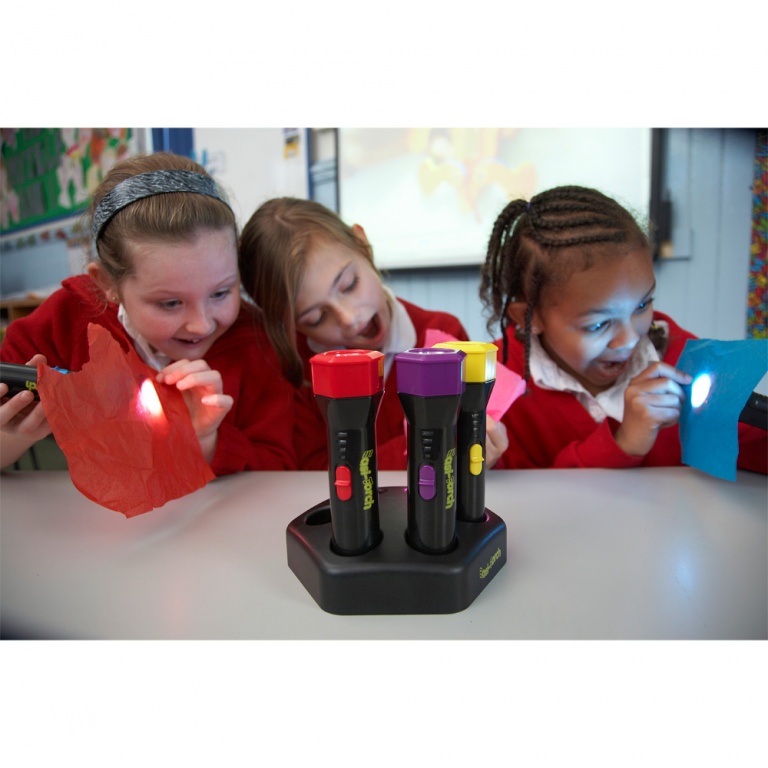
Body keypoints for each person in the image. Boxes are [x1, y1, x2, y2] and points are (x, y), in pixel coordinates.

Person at [1, 152, 296, 473]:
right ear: (107, 283)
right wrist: (14, 435)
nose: (201, 325)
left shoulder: (255, 341)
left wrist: (206, 443)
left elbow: (279, 468)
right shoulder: (64, 322)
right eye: (170, 303)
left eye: (221, 292)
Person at [479, 184, 766, 471]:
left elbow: (751, 451)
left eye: (642, 305)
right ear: (529, 319)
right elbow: (517, 490)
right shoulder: (492, 385)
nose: (629, 339)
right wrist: (624, 443)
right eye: (598, 324)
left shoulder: (685, 362)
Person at [238, 197, 509, 470]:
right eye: (316, 318)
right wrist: (427, 446)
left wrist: (482, 453)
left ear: (363, 245)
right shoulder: (296, 369)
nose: (349, 318)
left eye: (349, 285)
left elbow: (475, 445)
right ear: (291, 325)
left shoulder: (442, 336)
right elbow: (315, 473)